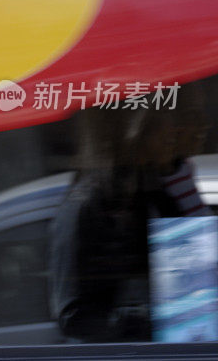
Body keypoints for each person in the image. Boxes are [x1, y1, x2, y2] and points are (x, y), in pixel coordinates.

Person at [49, 84, 212, 342]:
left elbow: (193, 272)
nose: (175, 129)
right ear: (135, 131)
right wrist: (154, 320)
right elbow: (74, 316)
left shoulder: (157, 192)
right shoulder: (86, 206)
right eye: (163, 121)